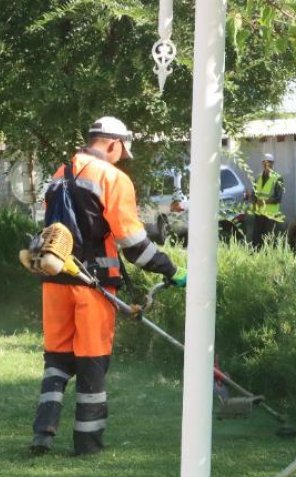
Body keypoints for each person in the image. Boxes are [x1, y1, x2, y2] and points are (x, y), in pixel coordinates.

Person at [30, 116, 185, 456]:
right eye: (121, 151)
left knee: (56, 359)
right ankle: (87, 444)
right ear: (113, 144)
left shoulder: (59, 175)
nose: (121, 158)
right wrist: (170, 268)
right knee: (91, 363)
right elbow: (133, 245)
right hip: (93, 284)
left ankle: (43, 433)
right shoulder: (113, 178)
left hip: (54, 279)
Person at [245, 153, 283, 247]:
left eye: (269, 162)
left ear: (272, 164)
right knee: (257, 239)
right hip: (259, 213)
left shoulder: (278, 178)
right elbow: (254, 196)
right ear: (262, 164)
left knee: (268, 239)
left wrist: (264, 202)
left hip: (271, 215)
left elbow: (278, 198)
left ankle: (268, 258)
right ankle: (256, 258)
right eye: (265, 162)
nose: (267, 164)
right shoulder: (257, 178)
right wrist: (249, 196)